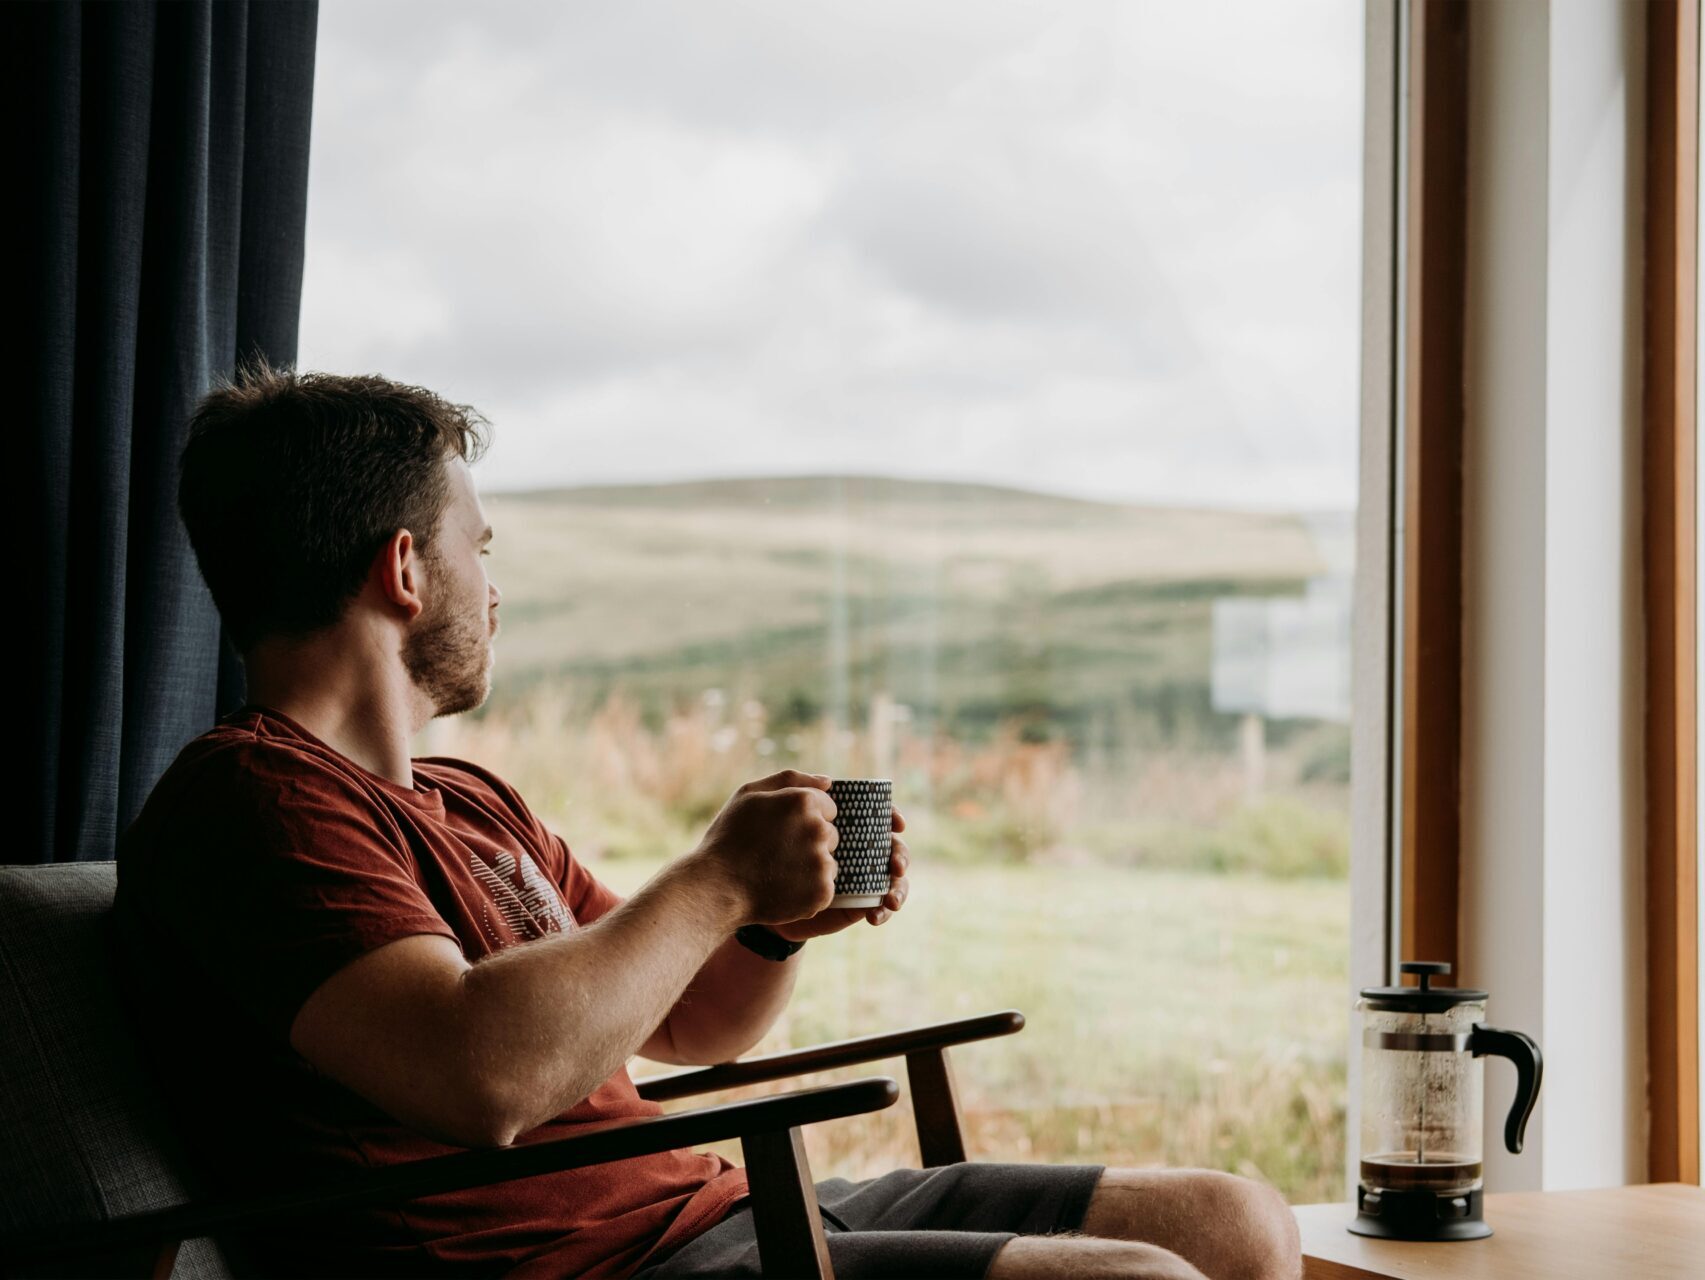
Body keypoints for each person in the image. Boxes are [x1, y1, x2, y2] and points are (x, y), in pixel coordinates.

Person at [112, 362, 1302, 1280]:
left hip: (709, 1216)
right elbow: (485, 1076)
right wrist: (719, 877)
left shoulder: (467, 796)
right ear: (406, 568)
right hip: (583, 1267)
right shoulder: (255, 802)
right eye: (482, 547)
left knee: (1231, 1218)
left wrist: (773, 924)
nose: (495, 584)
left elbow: (682, 1017)